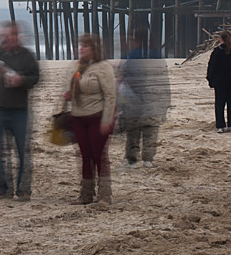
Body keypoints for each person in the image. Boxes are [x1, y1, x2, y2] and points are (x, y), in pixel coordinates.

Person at [0, 21, 40, 201]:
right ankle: (3, 188)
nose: (4, 39)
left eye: (7, 35)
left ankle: (23, 190)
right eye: (2, 35)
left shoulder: (26, 55)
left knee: (23, 153)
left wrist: (20, 80)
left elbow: (36, 78)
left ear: (16, 35)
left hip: (20, 111)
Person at [61, 34, 116, 204]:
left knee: (99, 155)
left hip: (97, 116)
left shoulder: (103, 67)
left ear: (94, 49)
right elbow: (69, 88)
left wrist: (107, 120)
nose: (81, 48)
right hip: (78, 116)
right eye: (81, 45)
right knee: (85, 156)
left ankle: (105, 196)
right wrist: (68, 95)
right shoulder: (75, 67)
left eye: (85, 45)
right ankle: (85, 195)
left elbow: (110, 96)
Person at [118, 28, 171, 167]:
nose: (129, 43)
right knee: (151, 131)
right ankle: (148, 159)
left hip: (135, 101)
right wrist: (166, 101)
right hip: (154, 100)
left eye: (131, 40)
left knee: (133, 132)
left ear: (137, 41)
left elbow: (123, 79)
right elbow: (164, 80)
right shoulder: (158, 55)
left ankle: (132, 160)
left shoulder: (130, 57)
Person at [206, 31, 231, 132]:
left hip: (220, 82)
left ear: (221, 39)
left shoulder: (217, 51)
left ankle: (220, 126)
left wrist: (210, 79)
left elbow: (212, 67)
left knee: (220, 104)